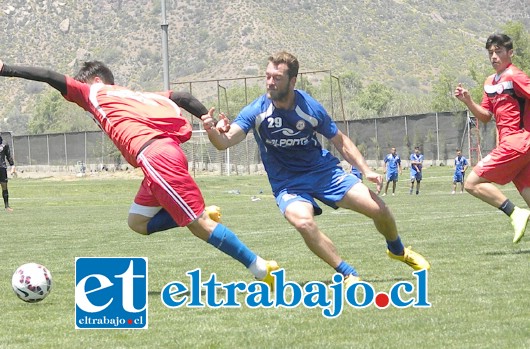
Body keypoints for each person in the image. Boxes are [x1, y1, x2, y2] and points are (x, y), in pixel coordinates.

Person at [0, 60, 278, 286]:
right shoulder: (139, 96)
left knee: (199, 226)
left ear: (95, 81)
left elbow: (49, 75)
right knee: (138, 222)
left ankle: (259, 267)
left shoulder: (92, 92)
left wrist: (4, 69)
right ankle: (199, 210)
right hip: (159, 157)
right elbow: (181, 97)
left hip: (156, 158)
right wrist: (210, 117)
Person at [203, 51, 430, 286]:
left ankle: (398, 250)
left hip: (323, 173)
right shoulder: (256, 111)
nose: (270, 82)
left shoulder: (309, 107)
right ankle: (347, 273)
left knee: (378, 208)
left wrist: (365, 169)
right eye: (268, 76)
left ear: (292, 81)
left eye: (277, 78)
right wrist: (211, 130)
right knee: (303, 222)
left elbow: (340, 140)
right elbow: (225, 142)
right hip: (287, 183)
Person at [455, 33, 530, 243]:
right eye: (490, 53)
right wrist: (468, 101)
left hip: (518, 142)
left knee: (471, 183)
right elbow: (486, 117)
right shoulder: (490, 82)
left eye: (498, 52)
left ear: (510, 53)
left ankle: (515, 213)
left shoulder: (515, 75)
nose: (493, 56)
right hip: (513, 145)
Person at [0, 135, 16, 212]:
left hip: (2, 168)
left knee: (4, 187)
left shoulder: (4, 143)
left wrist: (12, 165)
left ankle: (7, 206)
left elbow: (8, 156)